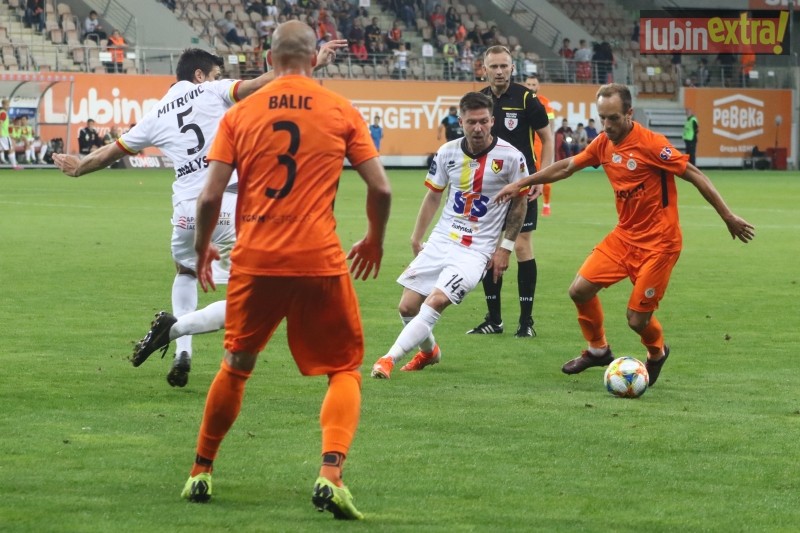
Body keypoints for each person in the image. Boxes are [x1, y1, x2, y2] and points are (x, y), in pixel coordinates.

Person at [182, 20, 391, 519]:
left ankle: (200, 471)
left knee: (236, 365)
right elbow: (381, 188)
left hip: (256, 258)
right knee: (344, 368)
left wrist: (203, 248)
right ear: (314, 58)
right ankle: (330, 474)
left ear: (268, 59)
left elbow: (210, 196)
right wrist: (374, 239)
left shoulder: (241, 113)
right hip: (318, 257)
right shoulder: (340, 109)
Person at [53, 42, 346, 387]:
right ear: (199, 75)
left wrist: (78, 167)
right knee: (257, 299)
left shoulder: (156, 113)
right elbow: (263, 83)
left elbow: (109, 153)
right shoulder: (211, 90)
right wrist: (314, 63)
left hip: (185, 215)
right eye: (216, 73)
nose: (219, 77)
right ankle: (174, 329)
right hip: (227, 206)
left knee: (186, 269)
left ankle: (183, 354)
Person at [494, 83, 755, 386]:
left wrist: (727, 216)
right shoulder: (603, 143)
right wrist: (522, 183)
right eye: (602, 118)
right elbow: (566, 167)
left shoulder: (652, 144)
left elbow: (695, 174)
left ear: (629, 113)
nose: (607, 125)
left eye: (614, 118)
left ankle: (657, 353)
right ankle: (598, 350)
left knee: (636, 320)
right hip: (624, 237)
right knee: (579, 290)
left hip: (660, 244)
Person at [370, 91, 527, 379]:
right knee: (407, 307)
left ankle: (387, 358)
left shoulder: (511, 157)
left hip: (476, 250)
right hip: (442, 239)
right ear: (461, 121)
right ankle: (429, 353)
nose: (478, 128)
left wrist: (505, 247)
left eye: (483, 121)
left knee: (436, 300)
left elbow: (520, 203)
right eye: (471, 122)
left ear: (492, 121)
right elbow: (433, 196)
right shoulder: (447, 152)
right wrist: (416, 237)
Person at [468, 45, 552, 338]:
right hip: (489, 187)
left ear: (512, 68)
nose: (500, 71)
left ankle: (526, 322)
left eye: (504, 66)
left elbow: (547, 138)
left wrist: (542, 177)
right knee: (489, 248)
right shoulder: (480, 101)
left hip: (523, 184)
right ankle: (494, 319)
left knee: (521, 245)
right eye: (494, 66)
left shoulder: (527, 98)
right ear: (484, 69)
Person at [524, 74, 555, 216]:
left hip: (540, 144)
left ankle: (546, 204)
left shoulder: (544, 102)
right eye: (528, 84)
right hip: (525, 144)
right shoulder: (520, 100)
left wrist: (549, 141)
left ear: (538, 86)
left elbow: (551, 124)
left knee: (544, 174)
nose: (531, 87)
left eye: (533, 84)